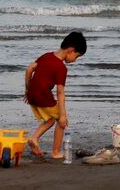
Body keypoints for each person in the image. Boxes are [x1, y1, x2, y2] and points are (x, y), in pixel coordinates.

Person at [24, 31, 87, 159]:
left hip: (32, 94)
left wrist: (27, 90)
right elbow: (60, 92)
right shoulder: (61, 68)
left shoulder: (46, 56)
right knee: (60, 121)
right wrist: (63, 114)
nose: (75, 60)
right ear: (70, 51)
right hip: (42, 95)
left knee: (50, 120)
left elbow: (29, 69)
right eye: (77, 56)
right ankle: (55, 151)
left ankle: (35, 140)